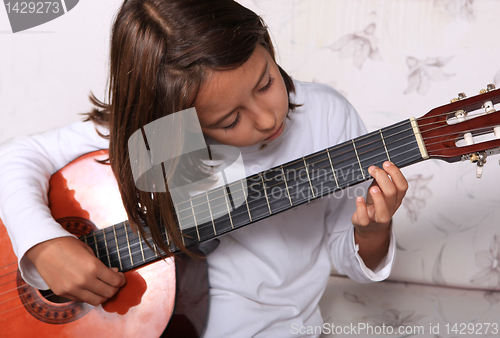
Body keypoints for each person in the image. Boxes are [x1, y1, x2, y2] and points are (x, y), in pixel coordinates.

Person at [0, 0, 408, 336]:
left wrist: (371, 232)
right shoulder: (159, 138)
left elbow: (349, 254)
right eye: (229, 121)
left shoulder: (326, 116)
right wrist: (42, 245)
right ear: (173, 118)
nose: (267, 119)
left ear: (264, 45)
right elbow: (15, 157)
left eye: (266, 82)